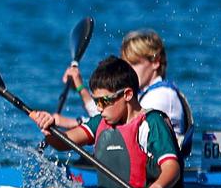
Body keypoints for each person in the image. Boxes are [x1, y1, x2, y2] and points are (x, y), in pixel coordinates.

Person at [30, 57, 183, 188]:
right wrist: (49, 130)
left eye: (103, 101)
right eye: (96, 102)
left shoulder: (151, 123)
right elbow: (63, 143)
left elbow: (172, 166)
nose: (99, 108)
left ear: (127, 94)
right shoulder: (100, 122)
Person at [62, 27, 196, 171]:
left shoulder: (162, 96)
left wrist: (73, 121)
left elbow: (122, 128)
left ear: (156, 62)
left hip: (158, 175)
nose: (128, 70)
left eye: (134, 63)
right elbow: (109, 113)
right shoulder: (143, 93)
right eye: (126, 64)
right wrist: (79, 87)